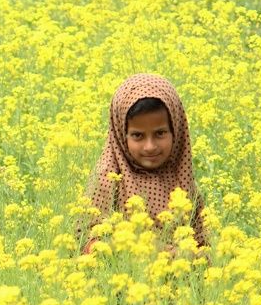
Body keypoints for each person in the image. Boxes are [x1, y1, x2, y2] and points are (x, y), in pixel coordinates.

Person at [81, 73, 207, 253]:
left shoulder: (185, 183)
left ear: (176, 130)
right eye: (138, 135)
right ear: (120, 134)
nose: (150, 146)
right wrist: (144, 250)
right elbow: (86, 244)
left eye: (160, 133)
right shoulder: (108, 181)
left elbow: (205, 245)